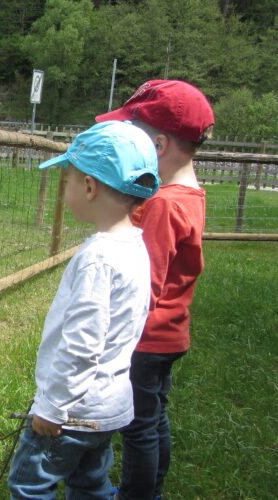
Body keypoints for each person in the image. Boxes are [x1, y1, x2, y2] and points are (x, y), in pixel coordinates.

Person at [8, 120, 160, 499]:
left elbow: (81, 346)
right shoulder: (135, 248)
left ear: (89, 187)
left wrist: (52, 407)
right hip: (110, 408)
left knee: (29, 483)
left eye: (69, 181)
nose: (67, 190)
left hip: (73, 413)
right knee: (90, 484)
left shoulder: (98, 257)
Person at [95, 80, 215, 500]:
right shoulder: (191, 196)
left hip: (146, 339)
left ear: (158, 145)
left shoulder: (163, 204)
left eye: (132, 133)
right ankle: (154, 488)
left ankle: (138, 494)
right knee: (154, 417)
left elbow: (143, 284)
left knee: (138, 426)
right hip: (171, 334)